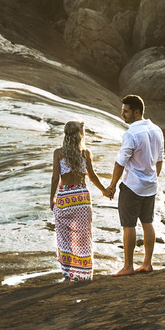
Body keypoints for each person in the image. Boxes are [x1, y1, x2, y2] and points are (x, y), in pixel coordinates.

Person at [106, 94, 164, 275]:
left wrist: (112, 185)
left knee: (128, 225)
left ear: (136, 112)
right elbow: (160, 160)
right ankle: (147, 263)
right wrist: (153, 178)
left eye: (126, 111)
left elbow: (120, 162)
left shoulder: (131, 133)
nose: (122, 114)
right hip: (150, 186)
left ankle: (128, 266)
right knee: (148, 223)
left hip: (132, 186)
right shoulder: (157, 129)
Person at [50, 120, 110, 281]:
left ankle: (69, 272)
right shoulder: (85, 153)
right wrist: (104, 190)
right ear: (80, 135)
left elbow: (56, 178)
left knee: (65, 237)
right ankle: (83, 274)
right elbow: (92, 175)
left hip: (65, 198)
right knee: (84, 237)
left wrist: (51, 198)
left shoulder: (58, 153)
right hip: (82, 199)